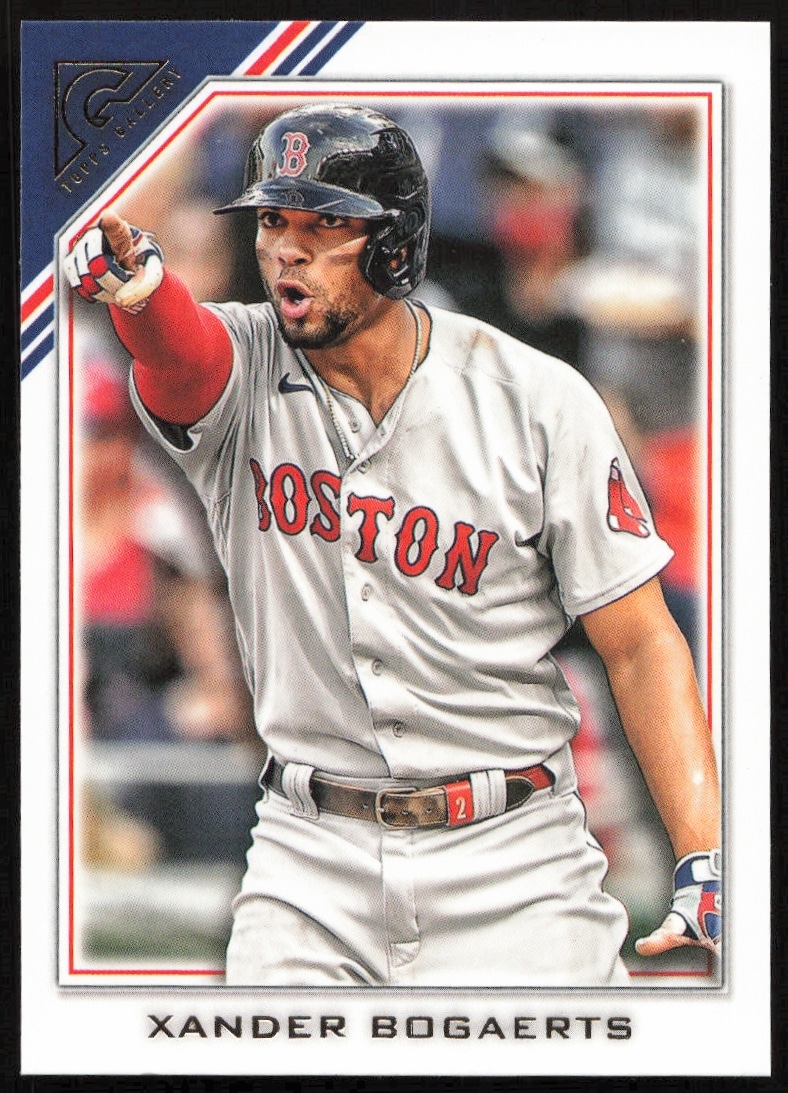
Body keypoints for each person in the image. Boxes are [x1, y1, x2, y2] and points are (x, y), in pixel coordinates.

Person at [64, 102, 721, 987]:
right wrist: (142, 291)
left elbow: (640, 643)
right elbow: (181, 357)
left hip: (514, 860)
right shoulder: (245, 365)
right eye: (272, 222)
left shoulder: (537, 399)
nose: (286, 249)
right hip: (310, 858)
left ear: (394, 242)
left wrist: (703, 854)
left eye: (322, 224)